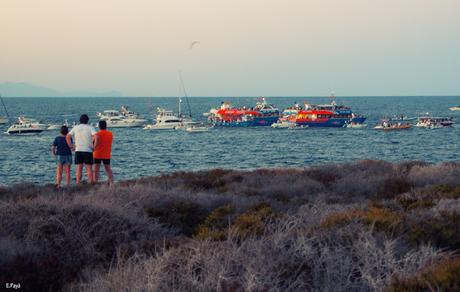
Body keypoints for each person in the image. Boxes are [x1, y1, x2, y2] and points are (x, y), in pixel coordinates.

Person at [66, 114, 96, 184]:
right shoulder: (90, 127)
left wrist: (71, 146)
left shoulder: (75, 127)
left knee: (79, 169)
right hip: (88, 150)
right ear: (87, 120)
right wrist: (94, 146)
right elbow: (96, 136)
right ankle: (91, 184)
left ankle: (78, 184)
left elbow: (67, 137)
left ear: (80, 120)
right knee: (89, 169)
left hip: (78, 149)